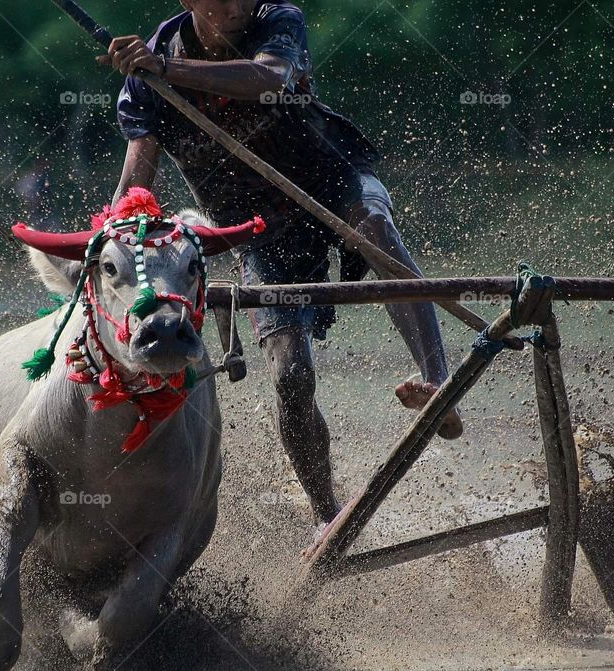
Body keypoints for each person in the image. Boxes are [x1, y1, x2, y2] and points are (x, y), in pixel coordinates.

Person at [100, 0, 463, 527]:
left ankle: (440, 388)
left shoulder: (276, 21)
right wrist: (111, 240)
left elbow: (269, 75)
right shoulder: (147, 73)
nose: (235, 4)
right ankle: (327, 516)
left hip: (333, 182)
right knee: (291, 377)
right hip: (262, 230)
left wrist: (165, 69)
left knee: (375, 228)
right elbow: (137, 185)